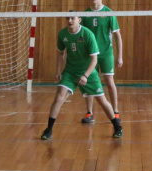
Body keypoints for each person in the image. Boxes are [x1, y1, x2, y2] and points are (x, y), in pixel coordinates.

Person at [40, 13, 122, 141]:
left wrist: (85, 75)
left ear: (79, 20)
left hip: (88, 72)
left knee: (101, 100)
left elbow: (94, 60)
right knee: (59, 97)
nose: (70, 20)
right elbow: (60, 53)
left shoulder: (88, 34)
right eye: (68, 18)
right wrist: (58, 71)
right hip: (70, 71)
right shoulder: (63, 34)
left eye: (73, 18)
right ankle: (49, 129)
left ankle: (117, 126)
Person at [79, 0, 123, 124]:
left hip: (106, 54)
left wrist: (119, 55)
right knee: (90, 82)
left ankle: (115, 111)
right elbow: (82, 35)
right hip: (91, 55)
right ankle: (89, 113)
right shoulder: (85, 14)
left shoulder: (109, 13)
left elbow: (117, 35)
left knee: (109, 82)